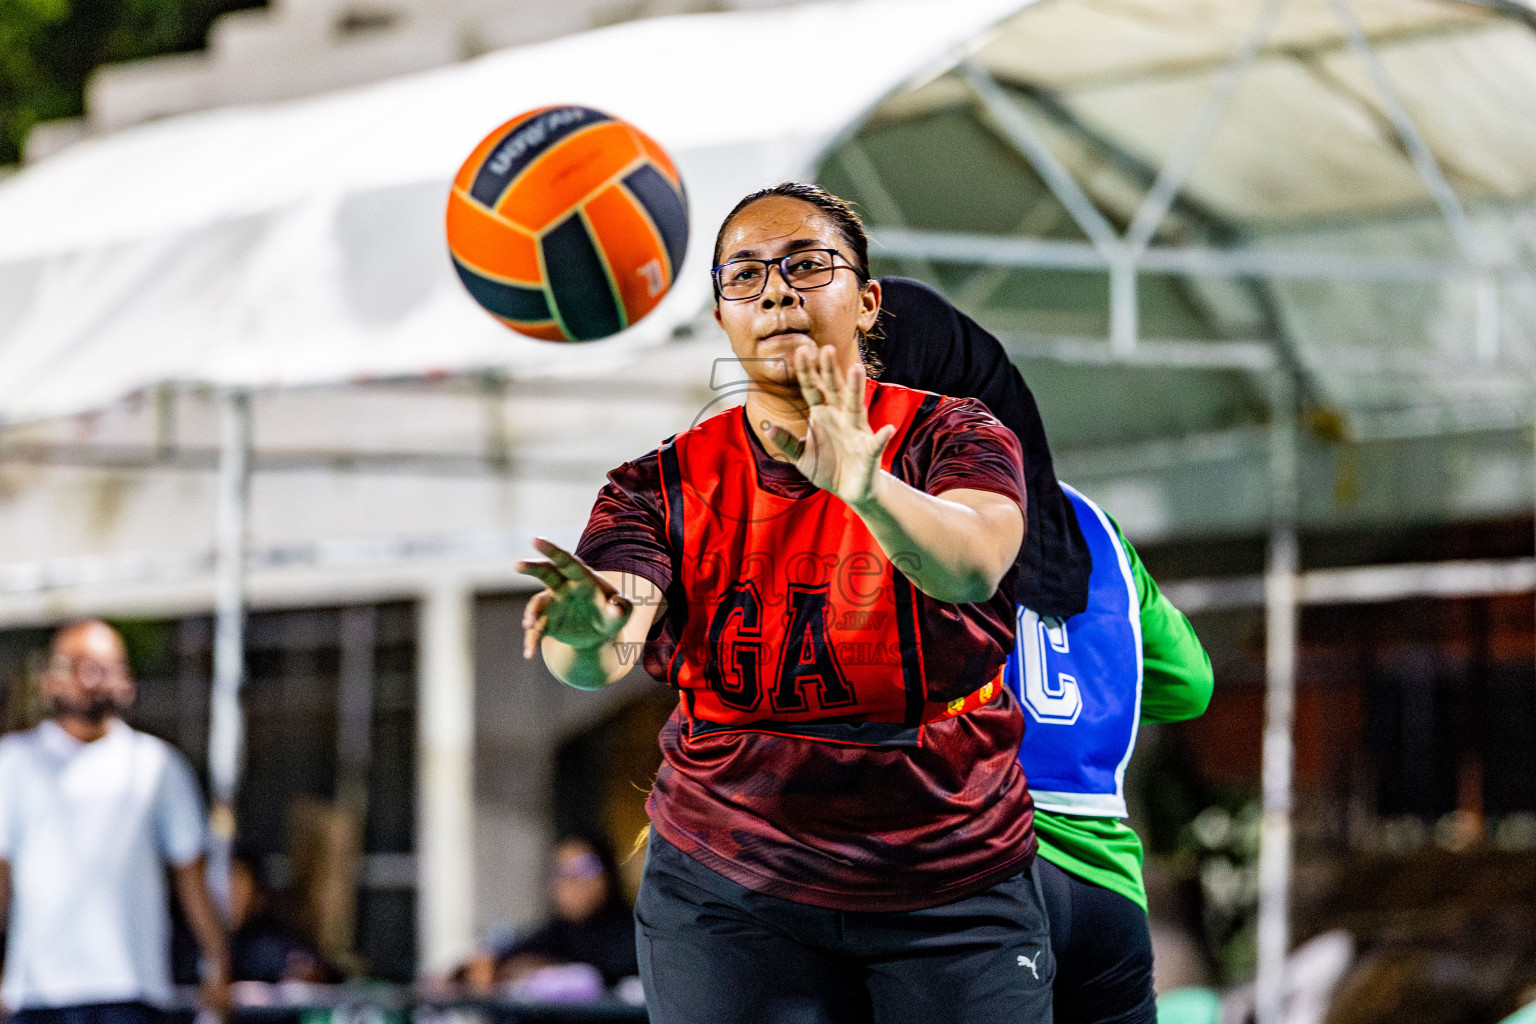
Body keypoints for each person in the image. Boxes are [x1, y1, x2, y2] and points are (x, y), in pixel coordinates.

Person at [518, 181, 1052, 1024]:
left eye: (807, 265)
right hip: (733, 885)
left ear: (868, 302)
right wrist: (589, 636)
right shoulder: (658, 486)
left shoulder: (955, 434)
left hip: (949, 875)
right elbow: (600, 649)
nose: (775, 290)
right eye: (745, 276)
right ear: (723, 316)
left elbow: (974, 564)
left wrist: (868, 489)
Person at [875, 279, 1214, 1024]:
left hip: (974, 880)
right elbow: (1189, 685)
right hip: (1105, 896)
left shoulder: (889, 521)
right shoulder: (1090, 525)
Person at [0, 621, 229, 1024]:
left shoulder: (158, 765)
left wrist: (218, 963)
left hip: (133, 991)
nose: (88, 678)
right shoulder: (14, 762)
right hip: (37, 994)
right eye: (75, 665)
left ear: (127, 680)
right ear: (48, 679)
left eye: (102, 666)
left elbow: (191, 875)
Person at [460, 834, 638, 995]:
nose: (570, 882)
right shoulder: (557, 930)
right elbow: (505, 958)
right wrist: (492, 966)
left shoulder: (635, 930)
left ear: (607, 877)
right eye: (561, 872)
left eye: (583, 870)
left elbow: (610, 974)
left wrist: (547, 971)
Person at [227, 849, 336, 984]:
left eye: (237, 880)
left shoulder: (267, 940)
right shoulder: (196, 942)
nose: (228, 892)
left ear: (259, 894)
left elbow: (313, 970)